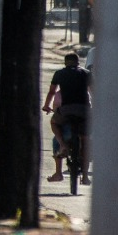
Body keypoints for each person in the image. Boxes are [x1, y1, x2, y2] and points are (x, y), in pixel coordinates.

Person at [43, 52, 91, 182]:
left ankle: (62, 148)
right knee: (85, 139)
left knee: (54, 122)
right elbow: (94, 91)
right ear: (77, 62)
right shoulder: (86, 73)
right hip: (84, 111)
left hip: (65, 111)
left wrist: (46, 106)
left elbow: (52, 91)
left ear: (65, 63)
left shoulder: (59, 74)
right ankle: (85, 176)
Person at [45, 85, 67, 183]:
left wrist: (47, 106)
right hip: (83, 116)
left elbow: (56, 107)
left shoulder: (60, 93)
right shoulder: (83, 91)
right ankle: (85, 176)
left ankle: (58, 173)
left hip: (64, 115)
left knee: (56, 139)